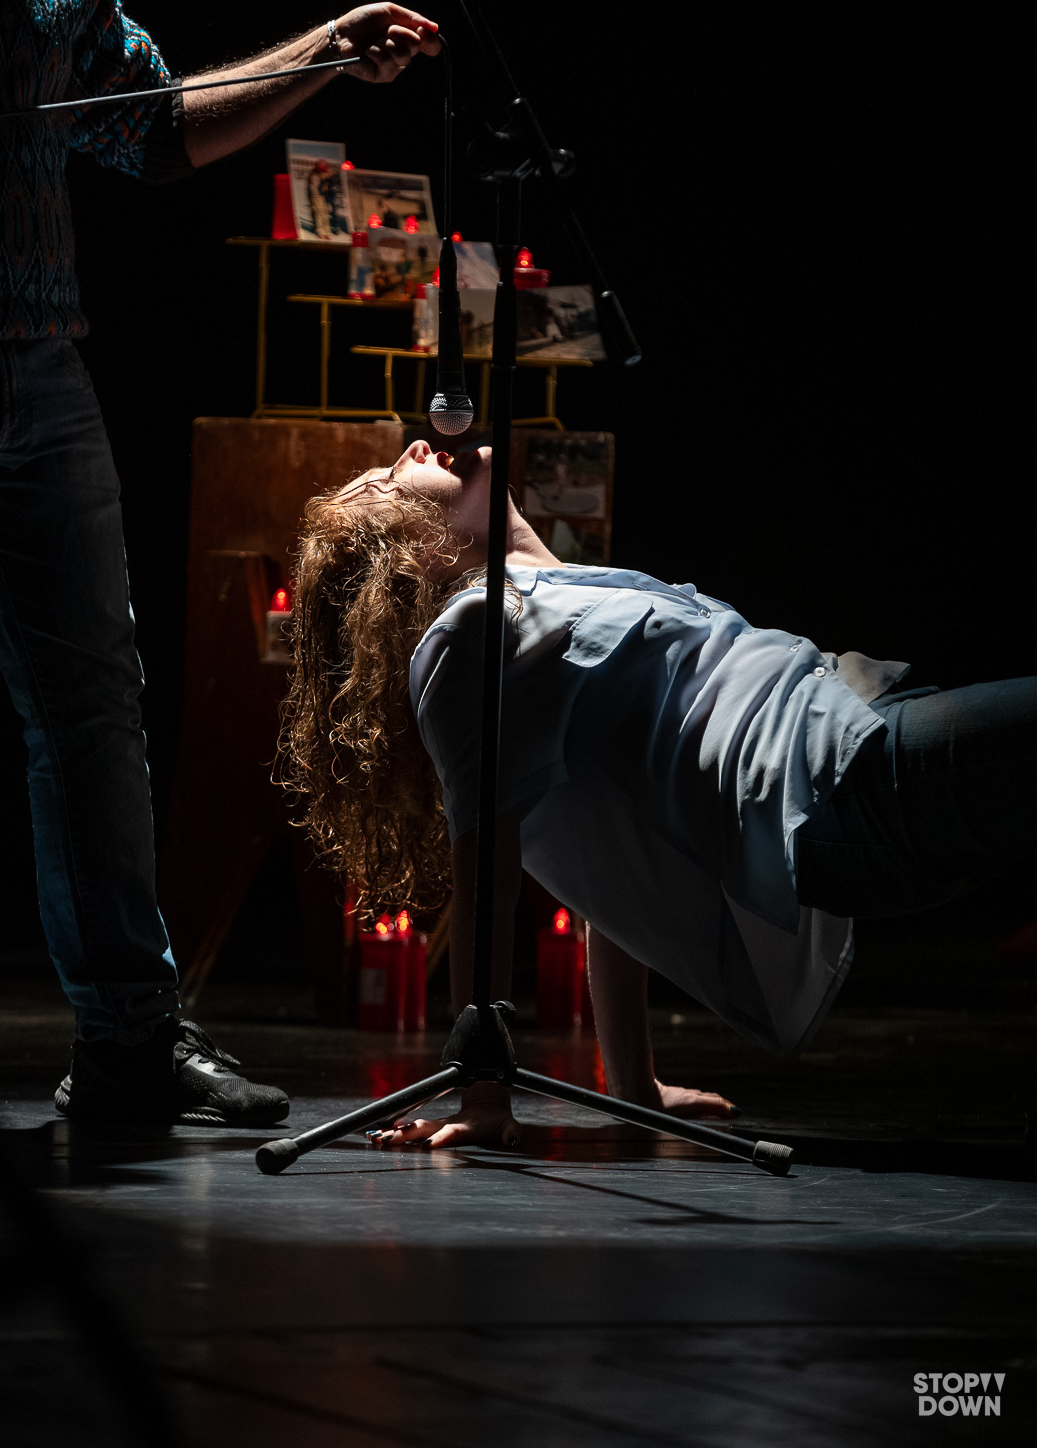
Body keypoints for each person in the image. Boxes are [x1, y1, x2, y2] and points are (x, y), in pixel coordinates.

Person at [0, 0, 440, 1125]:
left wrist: (321, 51)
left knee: (91, 712)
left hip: (38, 370)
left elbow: (153, 129)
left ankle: (129, 1039)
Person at [280, 440, 1037, 1150]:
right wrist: (482, 1091)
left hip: (858, 725)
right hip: (840, 780)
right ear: (411, 554)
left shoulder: (555, 592)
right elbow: (487, 876)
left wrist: (635, 1088)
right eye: (388, 483)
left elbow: (608, 862)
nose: (412, 449)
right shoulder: (471, 633)